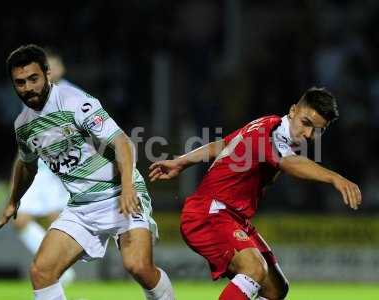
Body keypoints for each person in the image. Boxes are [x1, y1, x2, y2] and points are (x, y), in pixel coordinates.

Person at [0, 44, 175, 300]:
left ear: (47, 74)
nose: (27, 88)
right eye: (20, 82)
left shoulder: (75, 102)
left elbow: (122, 142)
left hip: (118, 194)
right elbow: (26, 163)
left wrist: (127, 188)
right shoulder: (23, 125)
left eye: (33, 79)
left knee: (138, 266)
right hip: (81, 206)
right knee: (41, 272)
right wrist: (14, 200)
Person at [149, 87, 362, 300]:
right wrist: (335, 178)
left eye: (318, 130)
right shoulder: (274, 132)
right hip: (209, 212)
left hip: (232, 216)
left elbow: (224, 144)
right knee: (255, 269)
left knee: (276, 289)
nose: (308, 134)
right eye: (306, 123)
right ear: (293, 110)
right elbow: (288, 163)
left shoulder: (266, 123)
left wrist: (181, 162)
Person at [12, 48, 76, 285]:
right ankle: (56, 265)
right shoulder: (31, 96)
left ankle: (57, 269)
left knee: (56, 220)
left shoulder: (72, 95)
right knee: (20, 219)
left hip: (64, 168)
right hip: (39, 168)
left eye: (52, 66)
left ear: (59, 70)